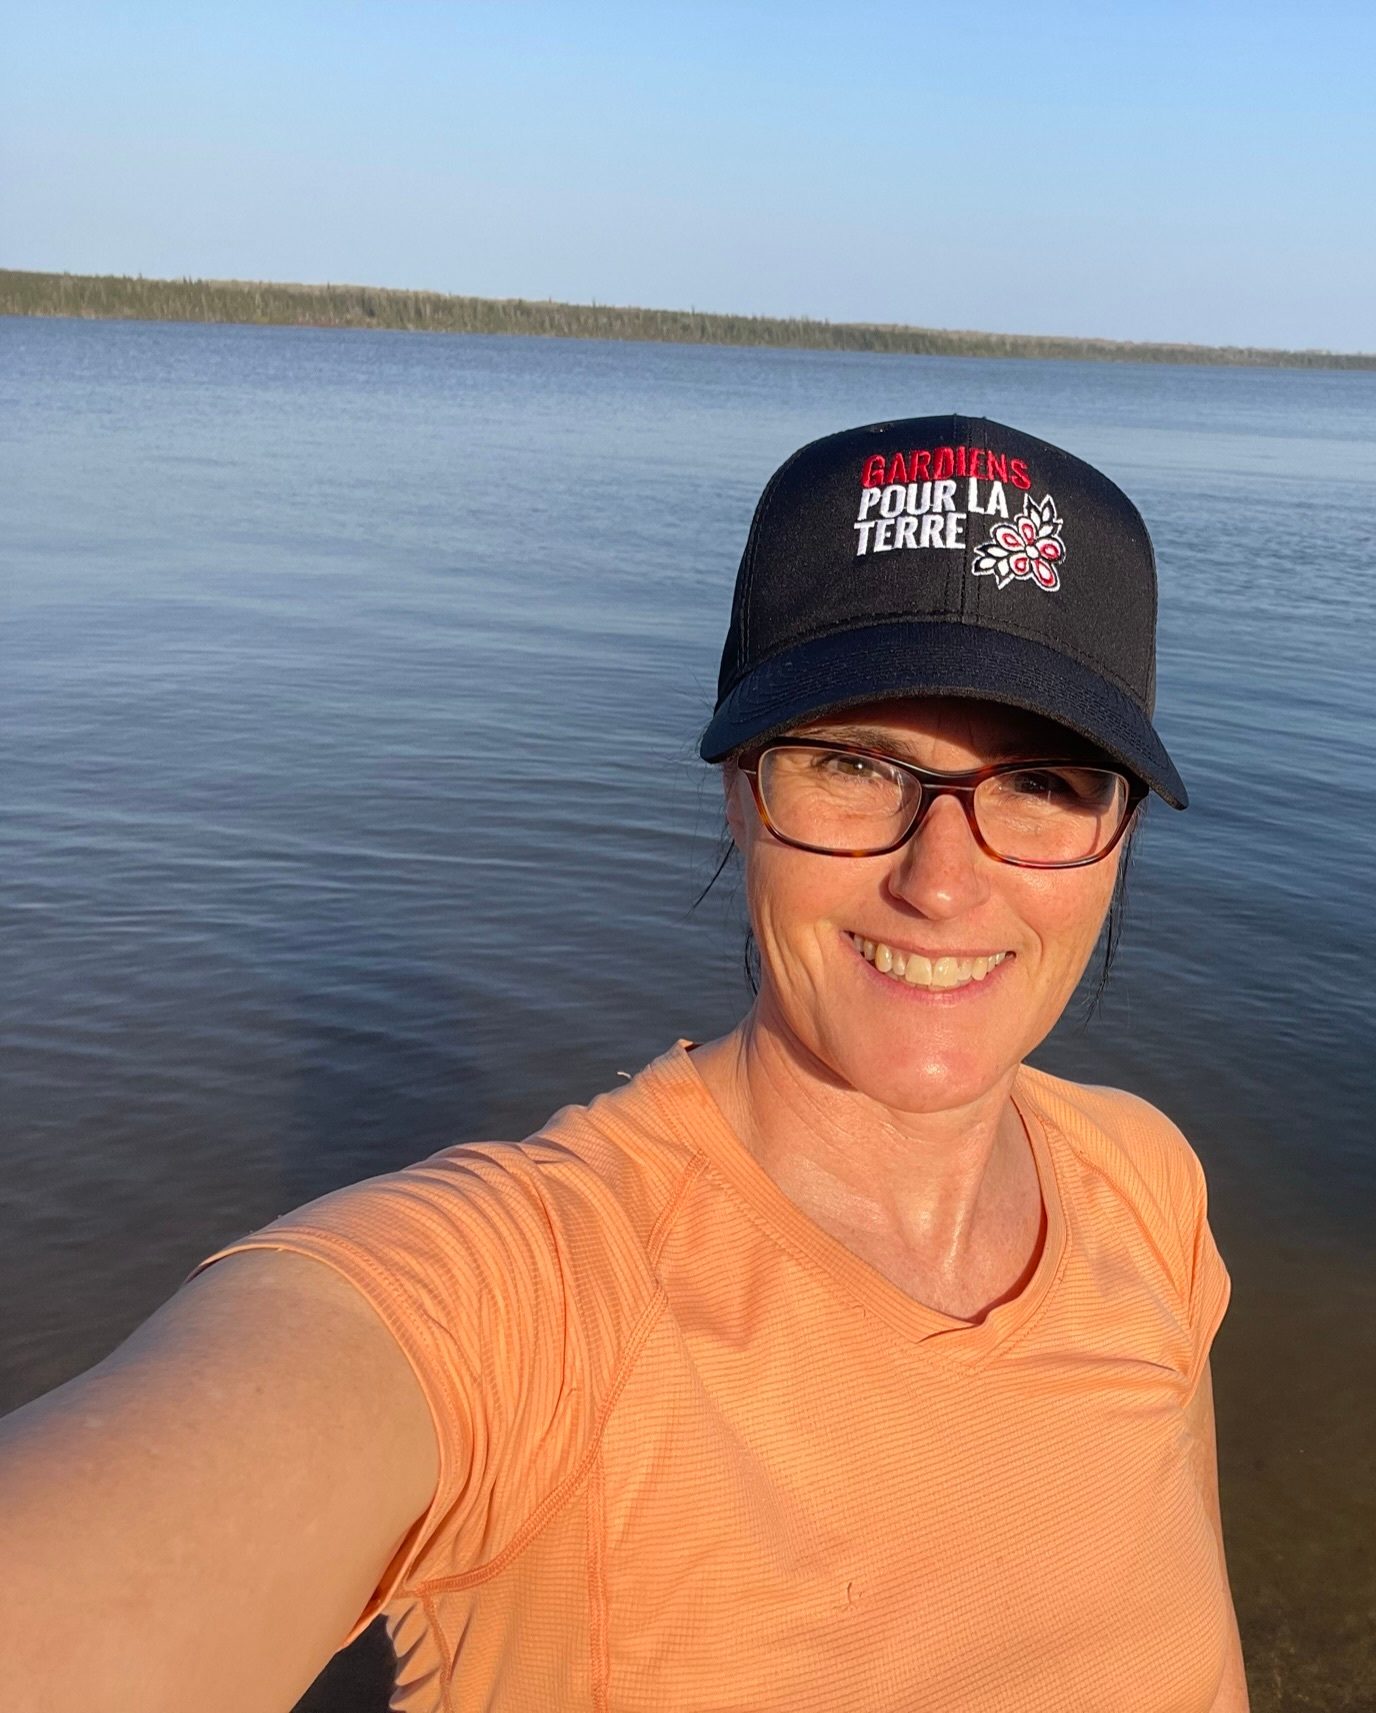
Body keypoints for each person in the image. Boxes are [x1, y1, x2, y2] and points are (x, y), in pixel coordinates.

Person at [0, 415, 1248, 1713]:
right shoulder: (529, 1301)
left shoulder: (1142, 1182)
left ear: (1119, 835)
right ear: (740, 796)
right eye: (851, 765)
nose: (940, 881)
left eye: (1043, 783)